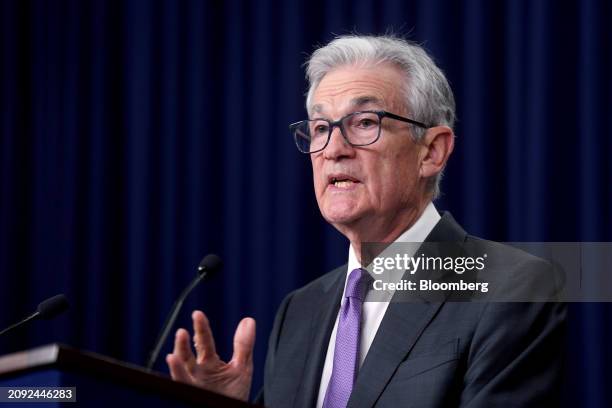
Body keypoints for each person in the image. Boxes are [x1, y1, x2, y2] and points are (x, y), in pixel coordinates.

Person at [166, 34, 566, 407]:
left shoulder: (510, 289)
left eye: (364, 123)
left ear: (432, 151)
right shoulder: (300, 310)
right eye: (321, 127)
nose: (333, 149)